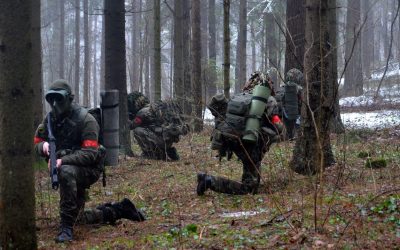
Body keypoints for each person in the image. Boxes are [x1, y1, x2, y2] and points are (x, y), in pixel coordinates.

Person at [34, 80, 145, 243]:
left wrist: (61, 160)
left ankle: (66, 228)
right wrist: (42, 146)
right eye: (52, 99)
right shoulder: (50, 119)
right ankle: (118, 210)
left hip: (89, 169)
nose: (55, 103)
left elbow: (90, 154)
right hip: (68, 167)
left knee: (65, 172)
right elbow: (36, 141)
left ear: (69, 99)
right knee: (79, 218)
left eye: (59, 99)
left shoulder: (86, 120)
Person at [197, 72, 283, 195]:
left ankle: (248, 178)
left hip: (230, 139)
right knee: (250, 188)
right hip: (249, 142)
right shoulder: (268, 100)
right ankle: (209, 181)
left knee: (251, 172)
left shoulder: (239, 96)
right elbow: (278, 125)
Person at [128, 91, 188, 161]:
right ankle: (168, 152)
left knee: (138, 130)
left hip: (161, 140)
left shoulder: (143, 112)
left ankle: (150, 154)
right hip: (168, 140)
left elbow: (131, 126)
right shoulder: (154, 107)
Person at [281, 68, 303, 140]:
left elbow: (280, 101)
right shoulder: (301, 90)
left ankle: (287, 135)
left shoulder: (283, 88)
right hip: (298, 115)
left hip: (285, 115)